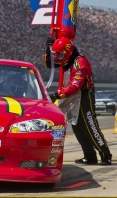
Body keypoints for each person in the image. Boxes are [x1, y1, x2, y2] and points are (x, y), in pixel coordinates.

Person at [45, 37, 112, 166]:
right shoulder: (67, 59)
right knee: (77, 128)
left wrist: (57, 95)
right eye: (56, 54)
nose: (57, 58)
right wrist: (48, 49)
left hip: (84, 96)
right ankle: (90, 156)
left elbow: (76, 86)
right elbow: (49, 64)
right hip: (72, 96)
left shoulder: (80, 63)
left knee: (90, 127)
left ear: (68, 52)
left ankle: (106, 155)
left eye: (59, 54)